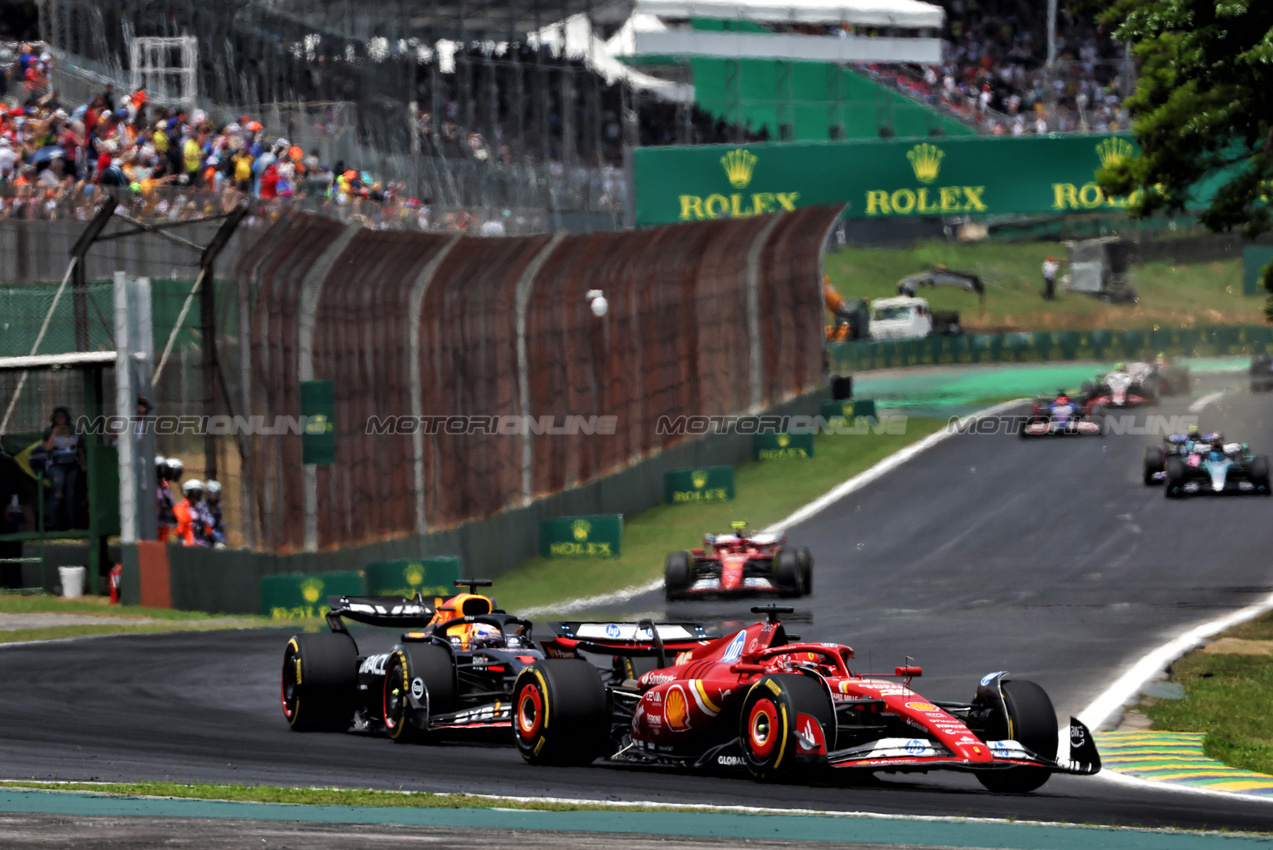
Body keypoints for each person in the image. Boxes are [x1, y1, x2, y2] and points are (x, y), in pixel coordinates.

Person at [42, 407, 82, 530]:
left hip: (72, 465)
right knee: (57, 493)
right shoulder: (48, 431)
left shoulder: (74, 430)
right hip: (57, 466)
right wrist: (55, 432)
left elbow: (80, 448)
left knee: (70, 494)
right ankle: (51, 523)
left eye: (62, 417)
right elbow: (47, 448)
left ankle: (72, 524)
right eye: (57, 417)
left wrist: (83, 462)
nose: (60, 419)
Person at [173, 479, 209, 547]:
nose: (198, 496)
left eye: (199, 493)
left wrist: (214, 541)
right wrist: (181, 540)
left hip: (203, 545)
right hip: (189, 545)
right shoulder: (182, 507)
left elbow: (206, 527)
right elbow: (180, 526)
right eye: (196, 493)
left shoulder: (200, 508)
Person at [155, 455, 176, 542]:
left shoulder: (165, 486)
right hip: (154, 525)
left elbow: (171, 504)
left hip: (165, 524)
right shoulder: (150, 487)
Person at [204, 479, 226, 547]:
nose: (214, 497)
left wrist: (220, 541)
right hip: (203, 542)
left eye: (216, 494)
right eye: (212, 494)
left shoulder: (218, 510)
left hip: (216, 543)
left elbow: (220, 530)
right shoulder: (201, 509)